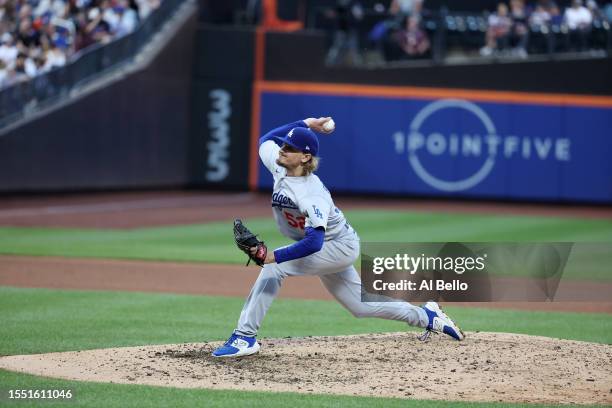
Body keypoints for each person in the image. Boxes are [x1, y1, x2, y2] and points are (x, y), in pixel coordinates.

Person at [211, 117, 465, 358]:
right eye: (285, 145)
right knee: (360, 306)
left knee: (274, 268)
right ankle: (427, 316)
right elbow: (266, 139)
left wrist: (272, 256)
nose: (282, 149)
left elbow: (314, 242)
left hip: (338, 246)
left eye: (290, 147)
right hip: (325, 247)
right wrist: (307, 124)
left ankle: (245, 337)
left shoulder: (311, 194)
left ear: (305, 157)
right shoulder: (278, 164)